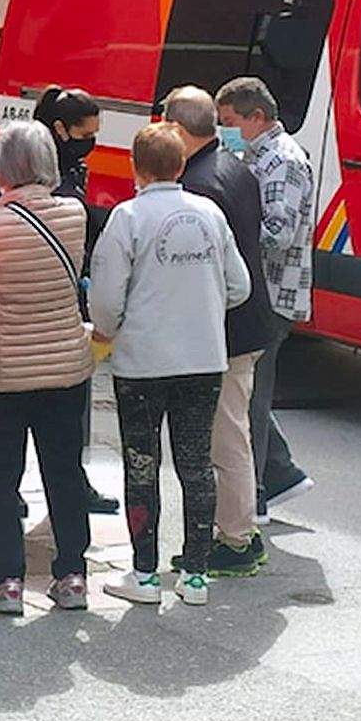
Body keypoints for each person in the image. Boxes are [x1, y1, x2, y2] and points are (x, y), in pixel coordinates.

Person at [89, 123, 250, 608]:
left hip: (142, 362)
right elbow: (239, 286)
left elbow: (106, 298)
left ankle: (143, 573)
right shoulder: (209, 214)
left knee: (142, 464)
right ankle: (196, 576)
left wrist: (108, 328)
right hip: (202, 359)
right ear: (181, 166)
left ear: (135, 168)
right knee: (196, 464)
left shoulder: (128, 217)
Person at [0, 120, 96, 615]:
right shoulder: (74, 215)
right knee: (64, 471)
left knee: (1, 475)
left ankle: (8, 581)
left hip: (0, 371)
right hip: (63, 369)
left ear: (2, 167)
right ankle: (73, 575)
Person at [0, 85, 119, 515]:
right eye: (85, 133)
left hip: (60, 315)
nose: (90, 143)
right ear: (60, 130)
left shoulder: (72, 170)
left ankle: (73, 485)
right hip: (14, 325)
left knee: (66, 426)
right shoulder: (21, 179)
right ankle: (13, 491)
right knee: (12, 426)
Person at [163, 86, 282, 578]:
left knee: (227, 439)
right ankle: (230, 530)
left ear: (176, 129)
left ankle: (236, 539)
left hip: (225, 331)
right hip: (245, 323)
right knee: (229, 433)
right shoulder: (233, 167)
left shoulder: (200, 185)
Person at [216, 77, 318, 522]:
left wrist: (226, 232)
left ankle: (254, 490)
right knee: (246, 391)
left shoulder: (283, 161)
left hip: (274, 293)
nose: (226, 132)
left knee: (250, 397)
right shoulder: (258, 154)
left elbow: (278, 233)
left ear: (257, 117)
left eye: (231, 122)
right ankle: (281, 473)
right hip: (262, 289)